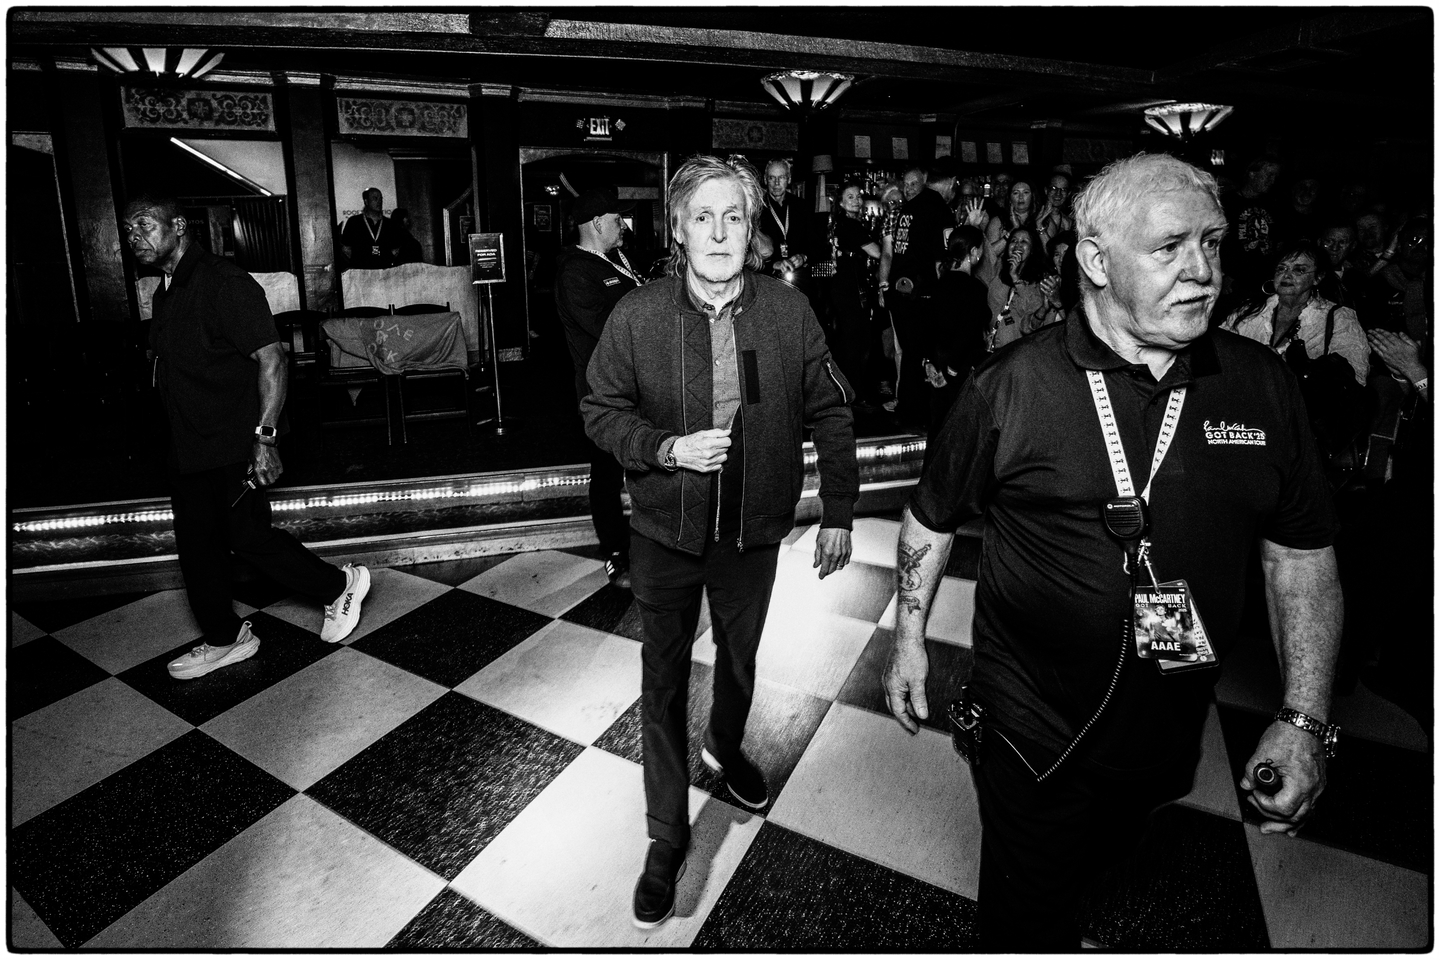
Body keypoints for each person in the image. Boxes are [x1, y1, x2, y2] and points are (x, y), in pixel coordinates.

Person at [882, 153, 1343, 950]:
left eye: (1213, 243)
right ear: (1095, 260)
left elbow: (1299, 557)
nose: (1202, 271)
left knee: (1113, 848)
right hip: (1030, 721)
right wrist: (908, 640)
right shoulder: (1008, 387)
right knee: (1024, 909)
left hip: (1168, 725)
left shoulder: (1261, 385)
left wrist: (1304, 718)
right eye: (1168, 249)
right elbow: (930, 520)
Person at [581, 155, 858, 930]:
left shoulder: (786, 311)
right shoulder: (636, 314)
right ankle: (666, 838)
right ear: (677, 231)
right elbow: (599, 411)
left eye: (734, 217)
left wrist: (838, 508)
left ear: (752, 231)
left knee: (740, 661)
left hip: (752, 533)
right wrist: (665, 449)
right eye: (702, 217)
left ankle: (726, 747)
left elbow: (832, 409)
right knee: (661, 681)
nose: (719, 232)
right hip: (664, 535)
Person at [126, 195, 371, 679]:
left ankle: (336, 586)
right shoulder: (167, 290)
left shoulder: (224, 282)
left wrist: (265, 438)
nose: (135, 236)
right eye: (129, 229)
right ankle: (224, 637)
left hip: (232, 441)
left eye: (145, 225)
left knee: (245, 535)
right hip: (188, 443)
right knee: (197, 545)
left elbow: (273, 359)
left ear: (178, 226)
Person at [554, 185, 642, 587]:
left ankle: (651, 542)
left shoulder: (615, 257)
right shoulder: (574, 270)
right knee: (607, 475)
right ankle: (615, 553)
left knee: (645, 464)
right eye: (616, 220)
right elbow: (608, 329)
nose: (622, 226)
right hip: (603, 393)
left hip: (638, 384)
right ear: (596, 224)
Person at [1223, 239, 1370, 387]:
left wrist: (1289, 366)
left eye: (1299, 270)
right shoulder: (1249, 311)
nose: (1287, 275)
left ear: (1317, 278)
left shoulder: (1340, 317)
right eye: (1281, 268)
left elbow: (1354, 377)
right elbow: (1220, 353)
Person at [877, 162, 958, 429]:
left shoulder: (913, 210)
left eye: (914, 184)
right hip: (919, 294)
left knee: (912, 355)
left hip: (908, 293)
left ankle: (910, 411)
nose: (909, 188)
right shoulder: (934, 209)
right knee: (920, 354)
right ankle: (918, 414)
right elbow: (942, 259)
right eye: (906, 184)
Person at [923, 225, 989, 452]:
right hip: (960, 369)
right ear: (974, 252)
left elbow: (928, 328)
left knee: (938, 429)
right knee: (960, 436)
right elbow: (966, 334)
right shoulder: (975, 289)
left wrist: (929, 363)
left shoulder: (940, 284)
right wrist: (950, 372)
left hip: (938, 363)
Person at [825, 180, 883, 403]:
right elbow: (877, 252)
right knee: (856, 341)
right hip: (850, 289)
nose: (857, 200)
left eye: (858, 196)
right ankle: (855, 393)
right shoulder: (850, 225)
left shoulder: (839, 224)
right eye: (850, 197)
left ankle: (850, 391)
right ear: (840, 202)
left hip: (842, 287)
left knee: (851, 339)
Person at [985, 225, 1057, 351]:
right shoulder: (996, 272)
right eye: (1014, 241)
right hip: (993, 351)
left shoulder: (1039, 281)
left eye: (1024, 242)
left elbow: (1033, 317)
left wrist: (1016, 278)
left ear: (1032, 249)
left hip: (1018, 352)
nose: (1018, 245)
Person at [756, 158, 812, 289]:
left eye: (781, 177)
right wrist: (773, 265)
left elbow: (814, 244)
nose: (776, 183)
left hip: (799, 280)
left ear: (789, 179)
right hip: (767, 280)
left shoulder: (803, 207)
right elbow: (749, 253)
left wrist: (803, 257)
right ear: (765, 180)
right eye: (771, 178)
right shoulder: (756, 209)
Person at [338, 187, 400, 270]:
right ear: (366, 201)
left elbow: (395, 250)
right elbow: (346, 249)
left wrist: (385, 259)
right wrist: (360, 261)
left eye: (381, 198)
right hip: (361, 271)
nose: (379, 201)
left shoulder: (390, 224)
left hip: (384, 272)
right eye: (375, 198)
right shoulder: (354, 222)